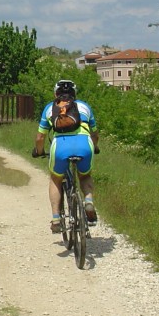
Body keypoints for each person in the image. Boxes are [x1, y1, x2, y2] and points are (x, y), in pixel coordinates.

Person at [32, 79, 100, 233]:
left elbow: (40, 138)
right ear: (74, 93)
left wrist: (39, 151)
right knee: (85, 175)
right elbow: (95, 134)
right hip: (84, 144)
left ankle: (56, 219)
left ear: (56, 93)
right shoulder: (84, 107)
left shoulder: (50, 108)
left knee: (55, 180)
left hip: (60, 147)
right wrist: (95, 147)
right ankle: (88, 200)